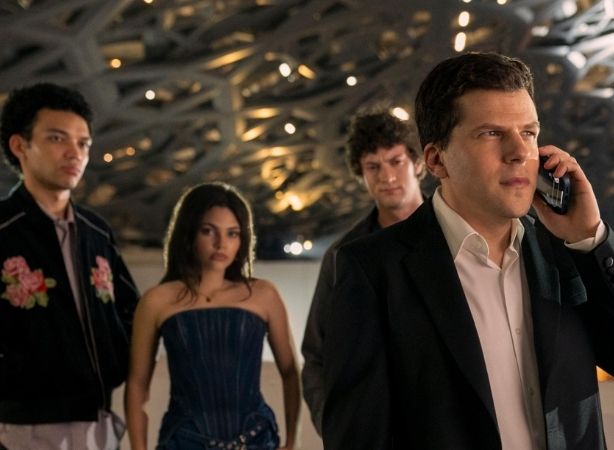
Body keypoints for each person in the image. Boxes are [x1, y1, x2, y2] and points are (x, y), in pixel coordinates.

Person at [317, 52, 614, 450]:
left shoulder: (569, 252)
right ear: (436, 159)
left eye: (529, 133)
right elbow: (357, 437)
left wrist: (591, 237)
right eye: (491, 133)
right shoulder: (371, 271)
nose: (519, 152)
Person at [0, 83, 139, 449]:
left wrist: (114, 361)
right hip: (20, 426)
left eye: (83, 143)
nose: (74, 153)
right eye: (57, 138)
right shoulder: (4, 229)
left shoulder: (97, 232)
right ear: (20, 146)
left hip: (98, 422)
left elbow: (131, 312)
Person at [124, 182, 300, 450]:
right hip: (184, 442)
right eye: (208, 231)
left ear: (243, 239)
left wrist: (291, 442)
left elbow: (290, 372)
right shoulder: (157, 300)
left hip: (256, 440)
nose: (221, 243)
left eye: (232, 233)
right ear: (189, 232)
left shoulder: (264, 295)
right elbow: (137, 384)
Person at [301, 107, 424, 434]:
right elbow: (316, 355)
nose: (387, 177)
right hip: (374, 430)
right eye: (373, 166)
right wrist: (336, 427)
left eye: (396, 161)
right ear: (361, 173)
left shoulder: (455, 237)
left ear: (418, 163)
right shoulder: (342, 256)